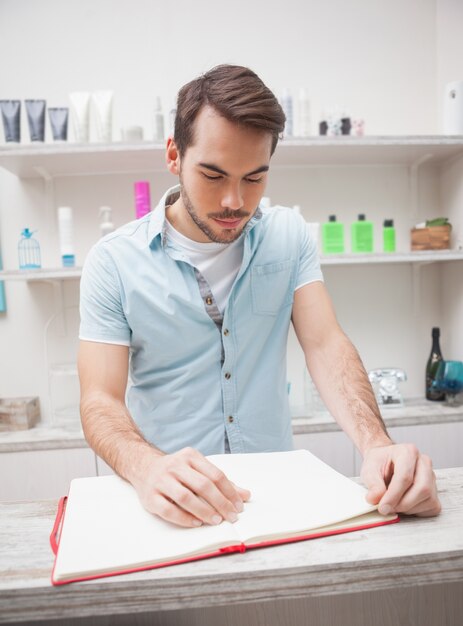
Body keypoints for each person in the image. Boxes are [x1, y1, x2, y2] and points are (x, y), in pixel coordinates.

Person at [78, 64, 441, 529]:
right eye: (213, 175)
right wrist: (146, 466)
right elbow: (99, 399)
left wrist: (377, 445)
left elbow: (325, 344)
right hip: (168, 505)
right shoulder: (113, 261)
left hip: (275, 503)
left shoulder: (288, 237)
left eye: (254, 178)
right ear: (174, 155)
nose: (234, 201)